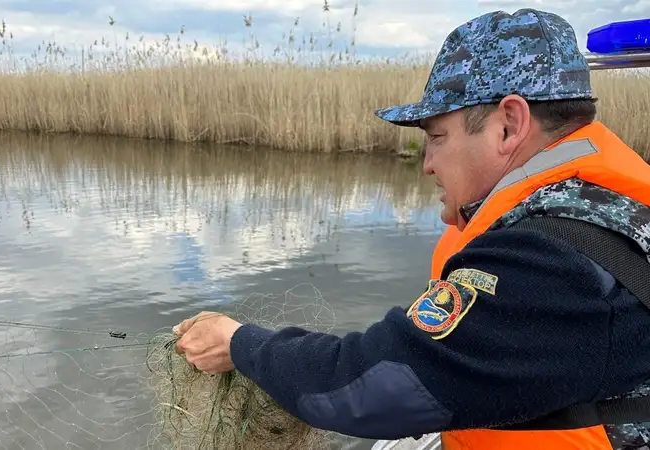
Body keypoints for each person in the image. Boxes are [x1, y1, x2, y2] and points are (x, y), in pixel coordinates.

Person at [172, 8, 650, 450]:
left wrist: (238, 343)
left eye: (437, 137)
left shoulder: (555, 261)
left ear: (508, 124)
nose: (427, 164)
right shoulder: (602, 209)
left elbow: (371, 385)